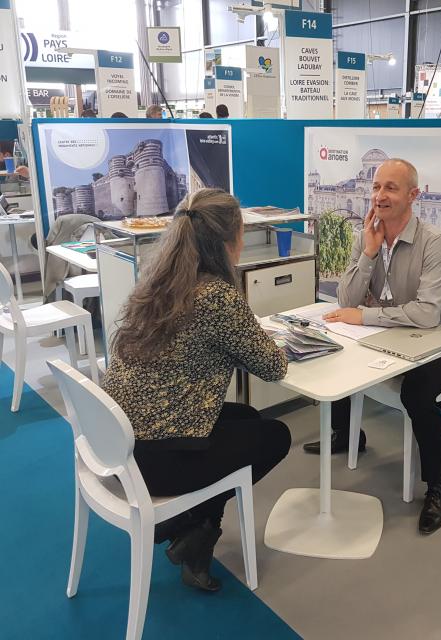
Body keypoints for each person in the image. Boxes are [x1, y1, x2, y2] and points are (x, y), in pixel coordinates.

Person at [102, 188, 291, 592]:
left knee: (247, 418)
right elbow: (274, 367)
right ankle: (194, 530)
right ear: (230, 240)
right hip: (154, 459)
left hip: (120, 444)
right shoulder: (217, 296)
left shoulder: (161, 282)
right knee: (275, 436)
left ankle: (193, 535)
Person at [303, 158, 441, 536]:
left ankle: (437, 485)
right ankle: (347, 435)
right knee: (334, 348)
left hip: (435, 340)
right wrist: (369, 253)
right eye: (376, 187)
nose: (380, 196)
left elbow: (426, 315)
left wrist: (367, 317)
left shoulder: (434, 242)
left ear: (413, 195)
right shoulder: (367, 235)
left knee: (417, 395)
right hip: (387, 334)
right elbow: (346, 299)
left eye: (391, 188)